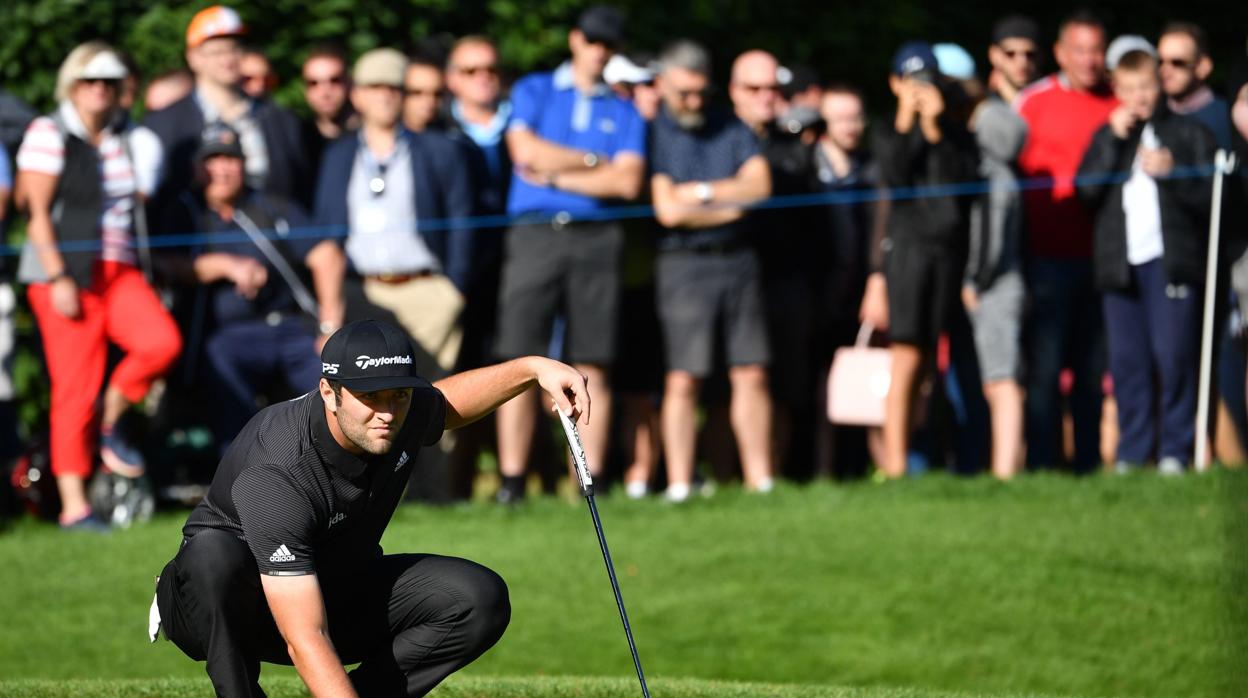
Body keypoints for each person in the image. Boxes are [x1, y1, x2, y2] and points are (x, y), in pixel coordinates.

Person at [151, 318, 590, 696]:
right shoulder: (279, 466)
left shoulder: (395, 412)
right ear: (329, 392)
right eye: (371, 397)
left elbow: (448, 404)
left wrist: (533, 369)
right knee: (215, 559)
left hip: (332, 583)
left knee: (476, 598)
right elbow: (304, 635)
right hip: (230, 603)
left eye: (398, 395)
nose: (386, 412)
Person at [15, 42, 181, 529]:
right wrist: (59, 276)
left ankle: (111, 417)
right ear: (72, 84)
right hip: (66, 271)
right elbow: (37, 214)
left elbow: (138, 199)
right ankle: (74, 505)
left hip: (119, 267)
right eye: (90, 81)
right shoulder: (49, 133)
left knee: (161, 343)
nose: (99, 91)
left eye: (108, 82)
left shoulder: (125, 138)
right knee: (74, 387)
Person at [493, 5, 645, 502]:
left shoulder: (623, 109)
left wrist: (557, 172)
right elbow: (523, 152)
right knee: (519, 358)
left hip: (596, 237)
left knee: (592, 359)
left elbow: (626, 181)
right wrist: (592, 163)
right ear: (576, 40)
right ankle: (512, 481)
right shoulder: (535, 89)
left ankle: (586, 479)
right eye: (593, 41)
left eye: (609, 44)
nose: (600, 52)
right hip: (536, 234)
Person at [315, 49, 476, 502]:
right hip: (362, 291)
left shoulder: (438, 150)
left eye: (394, 88)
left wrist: (454, 290)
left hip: (428, 289)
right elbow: (326, 232)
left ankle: (436, 495)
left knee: (437, 397)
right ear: (357, 95)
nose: (385, 97)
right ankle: (373, 498)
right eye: (374, 87)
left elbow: (463, 223)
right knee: (368, 400)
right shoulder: (339, 154)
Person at [160, 123, 346, 451]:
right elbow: (165, 264)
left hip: (289, 327)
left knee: (331, 382)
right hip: (226, 336)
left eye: (231, 159)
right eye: (213, 159)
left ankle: (340, 466)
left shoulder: (270, 207)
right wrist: (224, 266)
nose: (223, 169)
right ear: (197, 168)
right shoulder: (184, 213)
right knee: (222, 370)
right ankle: (239, 472)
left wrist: (330, 326)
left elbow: (327, 255)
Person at [1077, 48, 1216, 474]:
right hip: (1120, 266)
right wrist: (1111, 139)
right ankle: (1132, 454)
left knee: (1173, 356)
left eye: (1146, 88)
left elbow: (1215, 201)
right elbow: (1086, 192)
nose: (1139, 98)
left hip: (1171, 262)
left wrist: (1175, 174)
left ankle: (1175, 451)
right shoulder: (1108, 136)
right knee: (1128, 363)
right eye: (1130, 89)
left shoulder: (1189, 134)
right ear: (1117, 90)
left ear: (1159, 86)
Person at [650, 39, 774, 501]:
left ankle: (761, 481)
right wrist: (727, 198)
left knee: (752, 372)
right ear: (664, 85)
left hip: (738, 261)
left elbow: (759, 187)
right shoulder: (656, 129)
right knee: (684, 378)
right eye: (684, 93)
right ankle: (681, 483)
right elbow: (667, 211)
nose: (694, 102)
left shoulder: (730, 124)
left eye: (701, 92)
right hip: (684, 263)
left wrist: (696, 194)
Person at [858, 41, 978, 479]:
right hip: (906, 254)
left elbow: (960, 181)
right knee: (906, 355)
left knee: (931, 358)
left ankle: (926, 455)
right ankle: (894, 465)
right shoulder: (887, 130)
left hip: (946, 255)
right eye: (911, 81)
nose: (920, 88)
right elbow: (895, 174)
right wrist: (909, 120)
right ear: (894, 84)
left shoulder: (954, 133)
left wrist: (933, 125)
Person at [1015, 11, 1117, 473]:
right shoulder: (1032, 102)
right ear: (1060, 53)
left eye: (1096, 50)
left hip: (1102, 258)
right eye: (1080, 50)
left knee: (1092, 373)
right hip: (1045, 257)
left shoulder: (1120, 102)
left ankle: (1089, 465)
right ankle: (1042, 466)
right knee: (1045, 370)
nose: (1090, 60)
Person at [962, 15, 1040, 480]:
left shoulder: (995, 175)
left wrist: (975, 280)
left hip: (994, 285)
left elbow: (989, 240)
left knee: (1001, 380)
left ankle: (1005, 471)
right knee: (1000, 376)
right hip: (1001, 282)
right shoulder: (1004, 172)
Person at [144, 6, 308, 212]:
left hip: (271, 239)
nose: (228, 59)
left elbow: (300, 191)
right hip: (196, 241)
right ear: (193, 58)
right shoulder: (162, 125)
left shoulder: (280, 120)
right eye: (217, 51)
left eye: (235, 48)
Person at [810, 83, 878, 477]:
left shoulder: (871, 168)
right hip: (818, 295)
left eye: (856, 117)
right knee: (819, 386)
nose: (850, 126)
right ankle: (820, 469)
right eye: (841, 118)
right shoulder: (807, 168)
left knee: (859, 382)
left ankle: (857, 468)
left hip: (859, 295)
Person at [299, 43, 359, 179]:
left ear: (349, 83)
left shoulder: (370, 138)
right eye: (313, 83)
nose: (325, 92)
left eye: (335, 80)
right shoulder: (297, 138)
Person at [402, 55, 449, 133]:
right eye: (417, 93)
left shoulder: (455, 138)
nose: (430, 101)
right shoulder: (384, 140)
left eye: (437, 94)